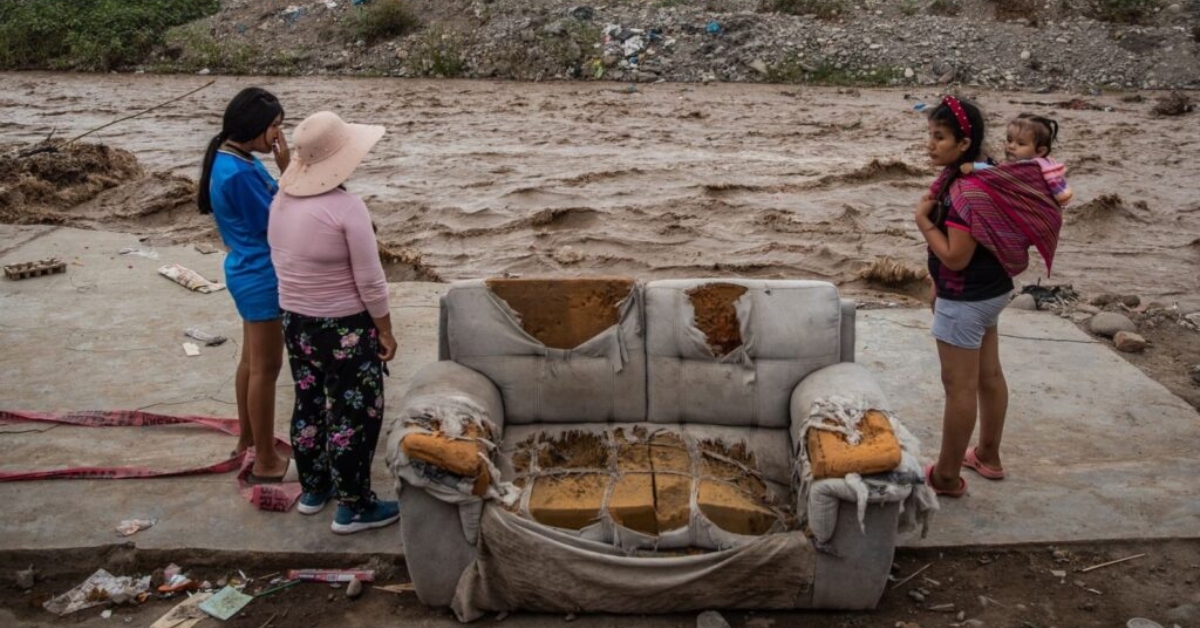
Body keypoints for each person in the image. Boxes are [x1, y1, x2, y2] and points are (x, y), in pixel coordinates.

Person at [268, 111, 399, 534]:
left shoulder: (282, 199)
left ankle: (314, 490)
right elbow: (371, 281)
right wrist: (385, 330)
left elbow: (281, 259)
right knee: (354, 413)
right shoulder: (347, 208)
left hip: (296, 321)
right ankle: (354, 505)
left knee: (309, 404)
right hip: (344, 327)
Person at [915, 96, 1013, 498]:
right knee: (988, 376)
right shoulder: (988, 172)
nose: (930, 145)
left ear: (963, 143)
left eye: (939, 137)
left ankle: (946, 476)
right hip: (993, 291)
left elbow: (956, 256)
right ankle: (988, 456)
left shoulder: (962, 192)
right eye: (929, 136)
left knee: (958, 387)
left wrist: (923, 221)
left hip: (966, 299)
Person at [198, 87, 295, 484]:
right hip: (261, 276)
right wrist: (289, 173)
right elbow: (279, 221)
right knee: (267, 369)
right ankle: (266, 460)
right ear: (255, 127)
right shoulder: (239, 173)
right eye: (275, 127)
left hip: (245, 268)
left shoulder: (231, 156)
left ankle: (248, 441)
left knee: (251, 363)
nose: (278, 136)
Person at [966, 113, 1072, 207]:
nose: (1011, 146)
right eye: (1009, 140)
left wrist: (974, 166)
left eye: (1021, 144)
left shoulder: (1027, 169)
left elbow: (996, 173)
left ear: (1040, 152)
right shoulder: (1046, 166)